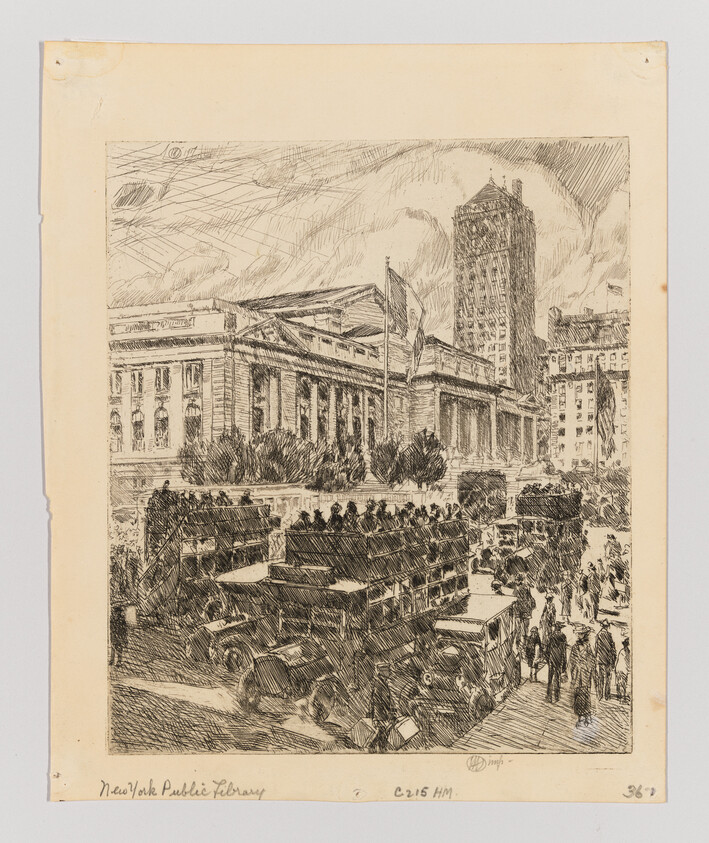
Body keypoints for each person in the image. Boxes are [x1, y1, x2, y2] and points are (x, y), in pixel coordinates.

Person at [569, 626, 595, 726]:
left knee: (585, 694)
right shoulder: (575, 647)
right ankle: (580, 716)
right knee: (577, 694)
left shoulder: (588, 646)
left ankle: (587, 715)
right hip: (577, 674)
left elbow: (592, 660)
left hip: (585, 674)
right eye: (578, 634)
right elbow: (571, 660)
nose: (579, 635)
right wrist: (574, 670)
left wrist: (588, 668)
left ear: (585, 634)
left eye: (581, 634)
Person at [369, 663, 394, 753]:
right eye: (388, 671)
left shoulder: (381, 682)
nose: (390, 672)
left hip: (381, 713)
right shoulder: (379, 683)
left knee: (382, 732)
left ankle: (381, 749)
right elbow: (379, 700)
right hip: (380, 713)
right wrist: (389, 712)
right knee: (381, 731)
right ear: (382, 672)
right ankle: (371, 746)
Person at [595, 619, 617, 701]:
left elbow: (596, 648)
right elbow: (613, 648)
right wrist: (613, 660)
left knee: (600, 677)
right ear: (607, 626)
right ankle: (607, 695)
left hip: (600, 660)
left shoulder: (598, 635)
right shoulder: (609, 635)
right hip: (608, 660)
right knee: (608, 678)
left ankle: (600, 695)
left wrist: (596, 658)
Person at [546, 621, 567, 703]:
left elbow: (547, 650)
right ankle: (557, 696)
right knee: (557, 678)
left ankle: (549, 695)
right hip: (559, 659)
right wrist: (564, 664)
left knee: (550, 678)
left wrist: (548, 659)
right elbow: (564, 651)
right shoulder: (563, 636)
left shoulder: (551, 636)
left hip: (552, 659)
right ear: (560, 628)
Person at [513, 575, 536, 644]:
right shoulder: (524, 587)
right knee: (524, 627)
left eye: (516, 580)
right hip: (525, 610)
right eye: (515, 580)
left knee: (521, 626)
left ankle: (519, 641)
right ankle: (523, 641)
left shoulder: (520, 588)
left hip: (522, 610)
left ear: (520, 580)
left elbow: (515, 597)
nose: (515, 581)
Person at [109, 603, 128, 667]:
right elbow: (111, 627)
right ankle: (112, 660)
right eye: (115, 612)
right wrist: (112, 632)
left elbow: (124, 629)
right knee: (113, 648)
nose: (116, 613)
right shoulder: (112, 619)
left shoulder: (122, 619)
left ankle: (119, 661)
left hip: (119, 635)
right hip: (114, 635)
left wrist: (124, 637)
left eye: (117, 612)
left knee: (119, 648)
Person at [615, 637, 631, 703]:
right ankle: (622, 696)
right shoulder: (627, 652)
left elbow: (618, 660)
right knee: (622, 682)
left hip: (620, 669)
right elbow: (627, 662)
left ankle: (621, 695)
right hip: (622, 669)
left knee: (620, 682)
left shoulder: (622, 651)